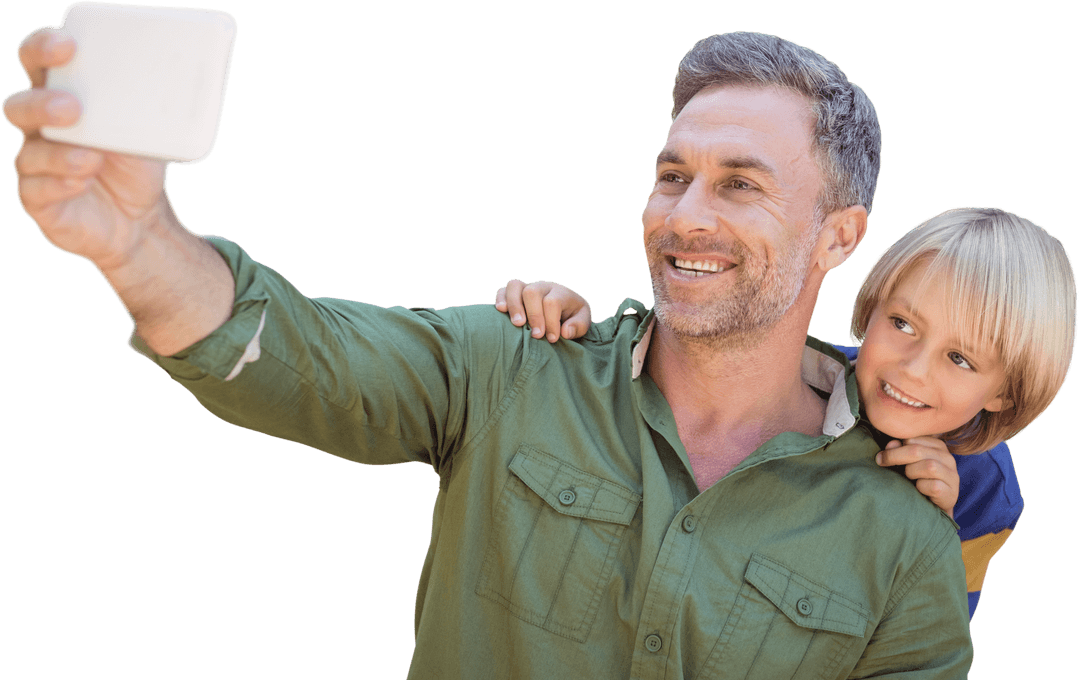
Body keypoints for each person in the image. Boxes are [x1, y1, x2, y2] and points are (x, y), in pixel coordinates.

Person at [5, 28, 976, 678]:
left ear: (839, 235)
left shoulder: (902, 539)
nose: (685, 216)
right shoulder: (514, 364)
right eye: (671, 174)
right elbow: (298, 354)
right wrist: (138, 242)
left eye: (739, 186)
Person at [495, 205, 1077, 619]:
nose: (913, 370)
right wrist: (573, 326)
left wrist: (934, 529)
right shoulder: (804, 378)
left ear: (1006, 390)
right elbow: (679, 358)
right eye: (901, 324)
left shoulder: (985, 493)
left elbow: (932, 642)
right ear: (870, 310)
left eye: (959, 358)